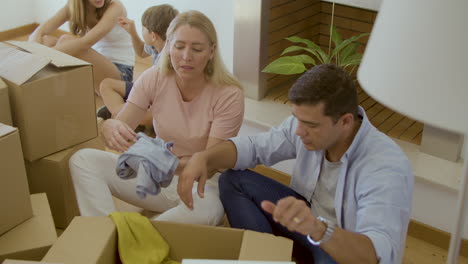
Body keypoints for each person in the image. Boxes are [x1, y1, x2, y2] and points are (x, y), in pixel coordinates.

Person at [178, 64, 413, 264]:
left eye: (310, 125)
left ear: (345, 122)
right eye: (297, 119)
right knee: (233, 180)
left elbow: (376, 253)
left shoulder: (385, 167)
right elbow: (256, 147)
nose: (299, 131)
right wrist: (204, 157)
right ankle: (267, 258)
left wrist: (319, 229)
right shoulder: (305, 125)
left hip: (340, 249)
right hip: (307, 226)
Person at [69, 10, 244, 226]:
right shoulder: (154, 77)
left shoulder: (229, 94)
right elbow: (122, 124)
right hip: (158, 172)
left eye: (197, 49)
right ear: (168, 45)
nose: (186, 56)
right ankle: (105, 233)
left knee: (206, 211)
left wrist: (158, 160)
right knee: (83, 160)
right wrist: (108, 127)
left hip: (203, 183)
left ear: (211, 51)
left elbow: (208, 165)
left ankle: (134, 237)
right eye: (179, 47)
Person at [28, 0, 134, 94]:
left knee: (65, 41)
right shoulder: (74, 6)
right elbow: (39, 31)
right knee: (46, 40)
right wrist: (33, 54)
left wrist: (42, 56)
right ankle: (42, 81)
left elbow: (86, 42)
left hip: (120, 74)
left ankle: (45, 83)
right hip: (96, 70)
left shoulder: (115, 6)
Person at [97, 4, 179, 123]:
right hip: (146, 92)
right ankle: (124, 115)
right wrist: (132, 32)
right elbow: (141, 51)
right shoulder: (155, 45)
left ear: (153, 35)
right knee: (106, 85)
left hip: (158, 100)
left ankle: (123, 117)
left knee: (153, 114)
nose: (142, 31)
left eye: (143, 28)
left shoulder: (170, 59)